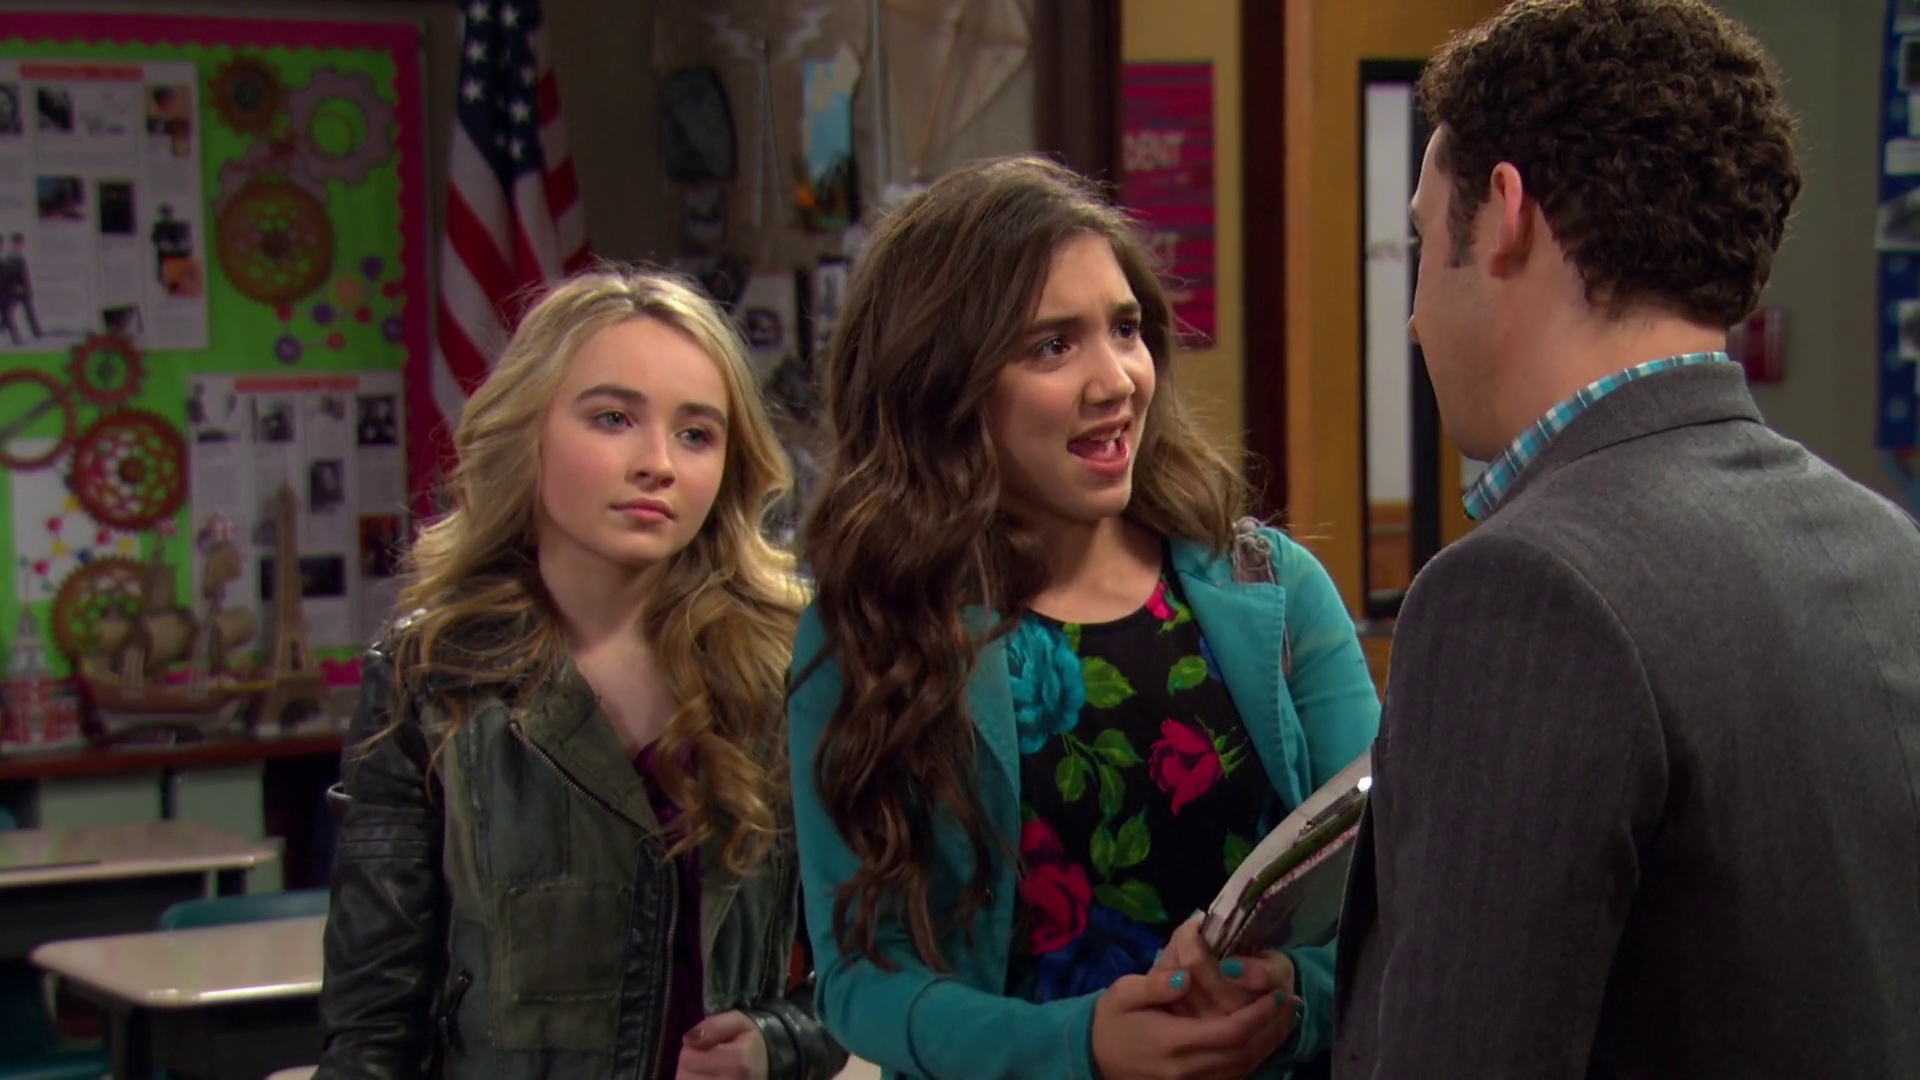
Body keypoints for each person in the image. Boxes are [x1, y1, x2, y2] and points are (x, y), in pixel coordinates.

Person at [1332, 2, 1920, 1077]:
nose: (1413, 316)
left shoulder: (1524, 591)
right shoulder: (1887, 546)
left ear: (1505, 214)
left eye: (1422, 240)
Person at [786, 156, 1381, 1078]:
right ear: (942, 386)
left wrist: (1291, 999)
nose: (1117, 381)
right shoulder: (872, 629)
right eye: (1051, 347)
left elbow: (1396, 893)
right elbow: (863, 979)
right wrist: (1084, 1046)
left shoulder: (1272, 587)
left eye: (1126, 329)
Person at [317, 268, 845, 1080]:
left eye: (696, 434)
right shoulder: (433, 678)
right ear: (528, 431)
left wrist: (777, 1041)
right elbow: (374, 1026)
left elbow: (872, 969)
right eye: (613, 419)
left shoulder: (791, 668)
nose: (657, 463)